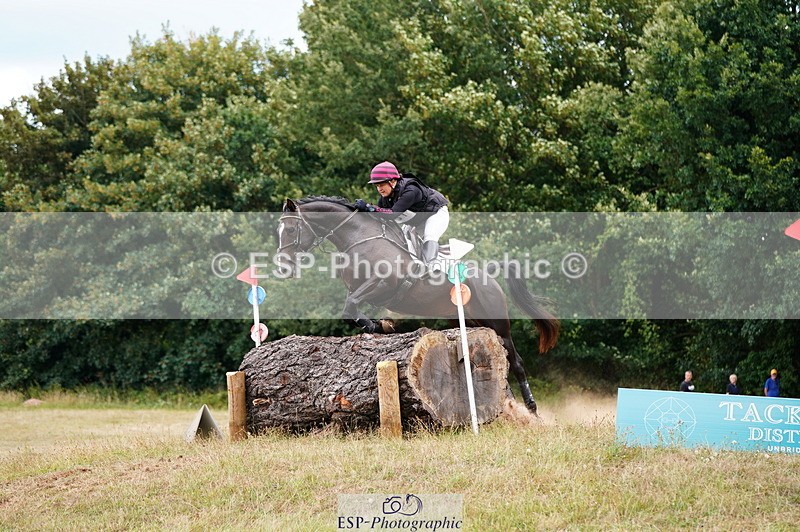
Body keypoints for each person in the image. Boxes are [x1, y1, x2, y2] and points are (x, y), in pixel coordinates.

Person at [355, 161, 450, 266]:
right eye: (377, 186)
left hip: (436, 214)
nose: (379, 189)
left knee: (430, 236)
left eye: (381, 184)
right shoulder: (385, 199)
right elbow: (381, 217)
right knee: (403, 241)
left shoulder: (411, 190)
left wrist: (369, 208)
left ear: (392, 181)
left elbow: (392, 214)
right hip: (417, 221)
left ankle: (432, 268)